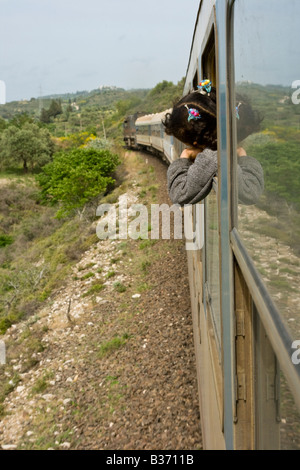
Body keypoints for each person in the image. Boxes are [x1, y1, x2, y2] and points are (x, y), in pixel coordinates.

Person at [163, 82, 264, 206]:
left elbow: (178, 193)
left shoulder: (211, 157)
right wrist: (242, 155)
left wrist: (185, 156)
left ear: (196, 143)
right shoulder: (218, 155)